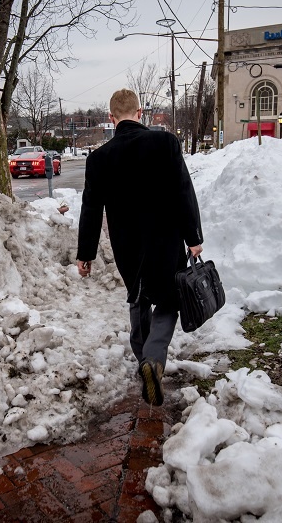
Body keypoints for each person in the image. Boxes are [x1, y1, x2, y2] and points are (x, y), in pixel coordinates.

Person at [76, 88, 203, 406]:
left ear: (111, 118)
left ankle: (143, 359)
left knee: (138, 297)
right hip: (165, 240)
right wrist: (193, 237)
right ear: (140, 113)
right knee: (169, 302)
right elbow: (182, 192)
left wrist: (86, 254)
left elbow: (91, 209)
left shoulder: (99, 159)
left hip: (127, 247)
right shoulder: (165, 143)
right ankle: (154, 359)